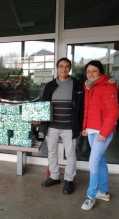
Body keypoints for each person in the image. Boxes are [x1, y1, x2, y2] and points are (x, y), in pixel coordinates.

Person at [35, 57, 84, 195]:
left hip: (70, 126)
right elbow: (43, 105)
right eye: (61, 66)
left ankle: (69, 179)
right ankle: (54, 176)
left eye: (67, 66)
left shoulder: (77, 85)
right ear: (57, 68)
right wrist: (39, 119)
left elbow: (81, 107)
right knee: (51, 151)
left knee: (70, 154)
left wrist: (79, 126)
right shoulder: (50, 85)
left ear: (70, 68)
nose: (64, 69)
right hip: (52, 126)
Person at [81, 60, 119, 210]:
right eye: (88, 71)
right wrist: (85, 126)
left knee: (93, 163)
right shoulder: (89, 87)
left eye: (94, 71)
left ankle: (91, 196)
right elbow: (88, 109)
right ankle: (103, 191)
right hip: (92, 130)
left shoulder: (107, 87)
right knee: (101, 161)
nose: (91, 74)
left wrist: (104, 132)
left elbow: (113, 113)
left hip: (102, 132)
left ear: (101, 72)